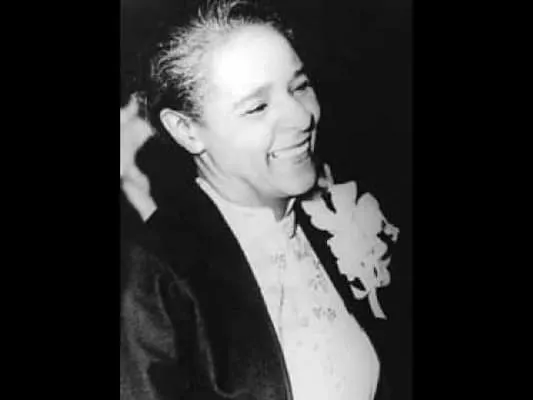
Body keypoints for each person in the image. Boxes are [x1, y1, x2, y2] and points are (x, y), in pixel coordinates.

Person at [120, 1, 399, 399]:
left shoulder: (340, 216)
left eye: (299, 86)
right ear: (186, 130)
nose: (301, 117)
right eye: (257, 107)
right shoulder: (151, 277)